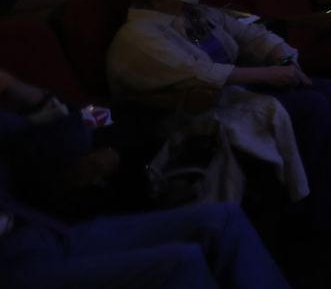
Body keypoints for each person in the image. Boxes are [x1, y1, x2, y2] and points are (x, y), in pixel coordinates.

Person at [107, 0, 331, 232]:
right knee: (310, 106)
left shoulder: (199, 14)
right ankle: (322, 211)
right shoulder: (139, 35)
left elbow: (252, 36)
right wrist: (270, 75)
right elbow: (200, 73)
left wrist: (282, 57)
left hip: (233, 95)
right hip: (192, 114)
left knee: (326, 89)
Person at [1, 68, 294, 289]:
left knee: (223, 220)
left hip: (42, 233)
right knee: (181, 262)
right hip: (13, 261)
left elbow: (70, 141)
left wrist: (23, 93)